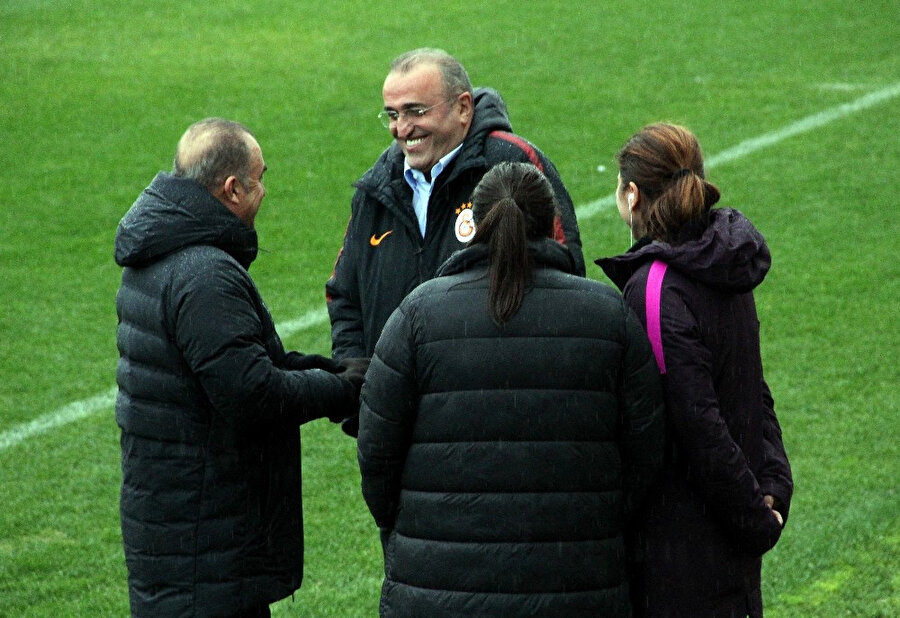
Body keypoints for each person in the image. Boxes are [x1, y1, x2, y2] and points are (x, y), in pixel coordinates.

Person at [357, 161, 666, 617]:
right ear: (551, 224)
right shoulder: (606, 315)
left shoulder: (419, 315)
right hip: (575, 583)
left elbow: (376, 453)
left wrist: (414, 531)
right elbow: (645, 452)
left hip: (438, 589)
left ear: (476, 226)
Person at [114, 118, 368, 618]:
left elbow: (237, 365)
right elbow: (251, 394)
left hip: (179, 530)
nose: (265, 191)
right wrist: (345, 390)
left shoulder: (159, 253)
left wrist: (334, 371)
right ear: (233, 188)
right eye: (260, 177)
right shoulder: (203, 273)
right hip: (205, 546)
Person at [326, 49, 586, 435]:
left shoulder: (511, 166)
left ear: (463, 108)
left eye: (416, 111)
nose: (402, 128)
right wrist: (362, 396)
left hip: (494, 417)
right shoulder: (377, 187)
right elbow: (344, 295)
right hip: (398, 421)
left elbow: (566, 279)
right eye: (393, 115)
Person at [596, 123, 793, 617]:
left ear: (632, 195)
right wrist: (772, 482)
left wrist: (755, 517)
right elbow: (753, 387)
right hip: (732, 530)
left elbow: (696, 424)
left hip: (686, 548)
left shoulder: (657, 288)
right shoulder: (724, 260)